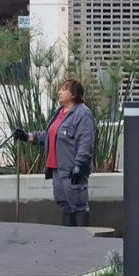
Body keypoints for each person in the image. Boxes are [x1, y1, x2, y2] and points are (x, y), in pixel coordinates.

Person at [15, 79, 95, 227]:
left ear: (73, 94)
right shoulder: (59, 112)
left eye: (64, 89)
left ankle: (82, 242)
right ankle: (67, 241)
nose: (59, 92)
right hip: (57, 169)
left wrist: (79, 165)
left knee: (78, 205)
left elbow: (85, 142)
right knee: (65, 206)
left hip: (71, 169)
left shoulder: (83, 114)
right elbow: (49, 136)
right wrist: (28, 136)